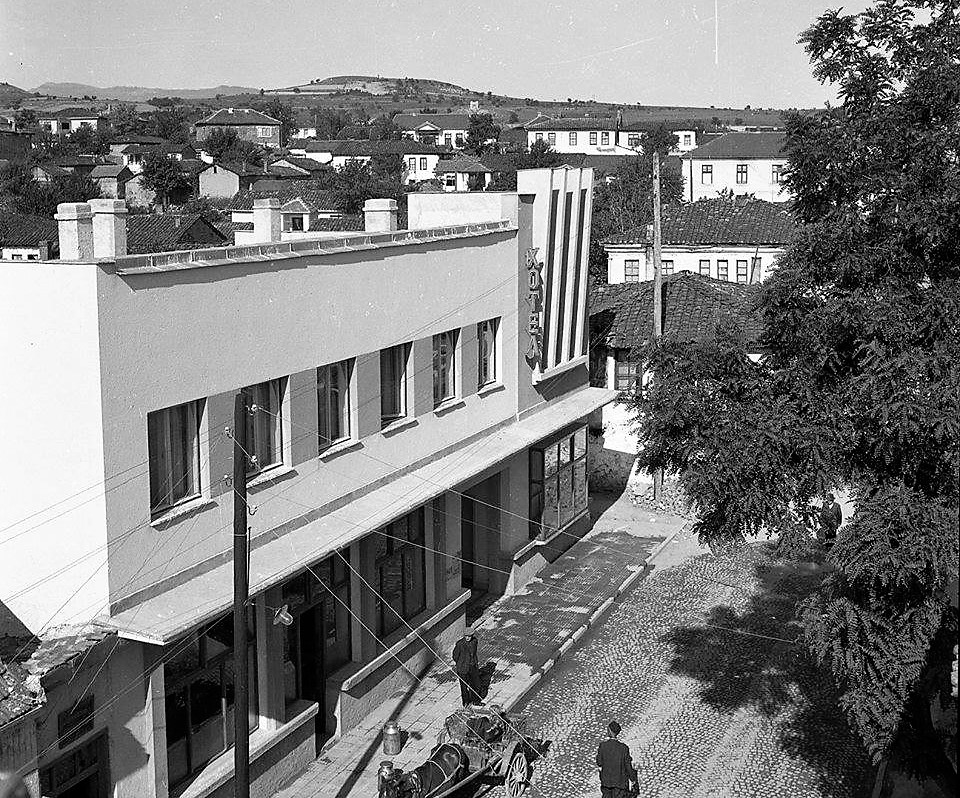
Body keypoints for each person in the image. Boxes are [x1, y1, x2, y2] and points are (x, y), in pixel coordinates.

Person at [595, 720, 638, 798]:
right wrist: (633, 779)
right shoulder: (623, 748)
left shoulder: (603, 746)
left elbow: (599, 762)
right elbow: (628, 766)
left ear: (610, 731)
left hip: (606, 783)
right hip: (620, 784)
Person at [452, 625, 482, 707]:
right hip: (463, 668)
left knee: (476, 684)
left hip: (473, 666)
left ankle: (476, 701)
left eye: (469, 636)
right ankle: (466, 703)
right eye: (466, 636)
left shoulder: (475, 641)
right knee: (464, 687)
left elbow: (474, 653)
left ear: (472, 636)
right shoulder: (460, 644)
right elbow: (455, 656)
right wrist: (461, 663)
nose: (468, 638)